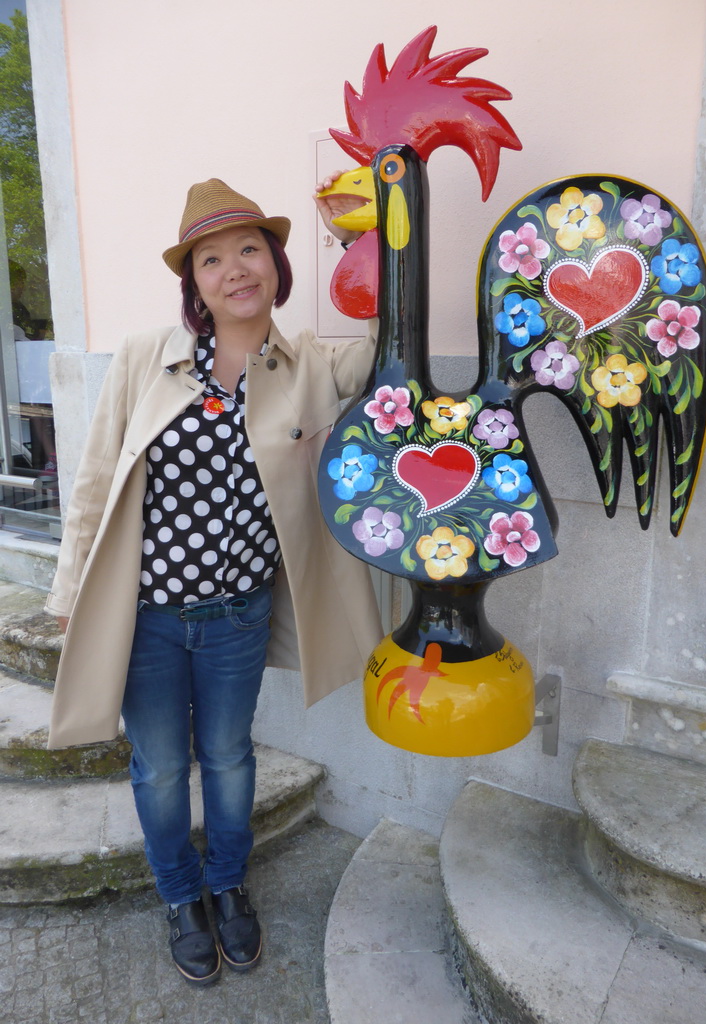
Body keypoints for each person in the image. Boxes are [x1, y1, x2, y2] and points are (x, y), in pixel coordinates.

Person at [45, 177, 382, 985]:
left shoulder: (312, 363)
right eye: (211, 259)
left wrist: (364, 238)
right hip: (148, 619)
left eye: (249, 250)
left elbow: (390, 344)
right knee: (160, 766)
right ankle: (180, 897)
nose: (234, 269)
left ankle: (229, 886)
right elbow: (94, 480)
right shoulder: (143, 359)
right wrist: (67, 595)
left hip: (238, 616)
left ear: (275, 265)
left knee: (229, 758)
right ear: (193, 283)